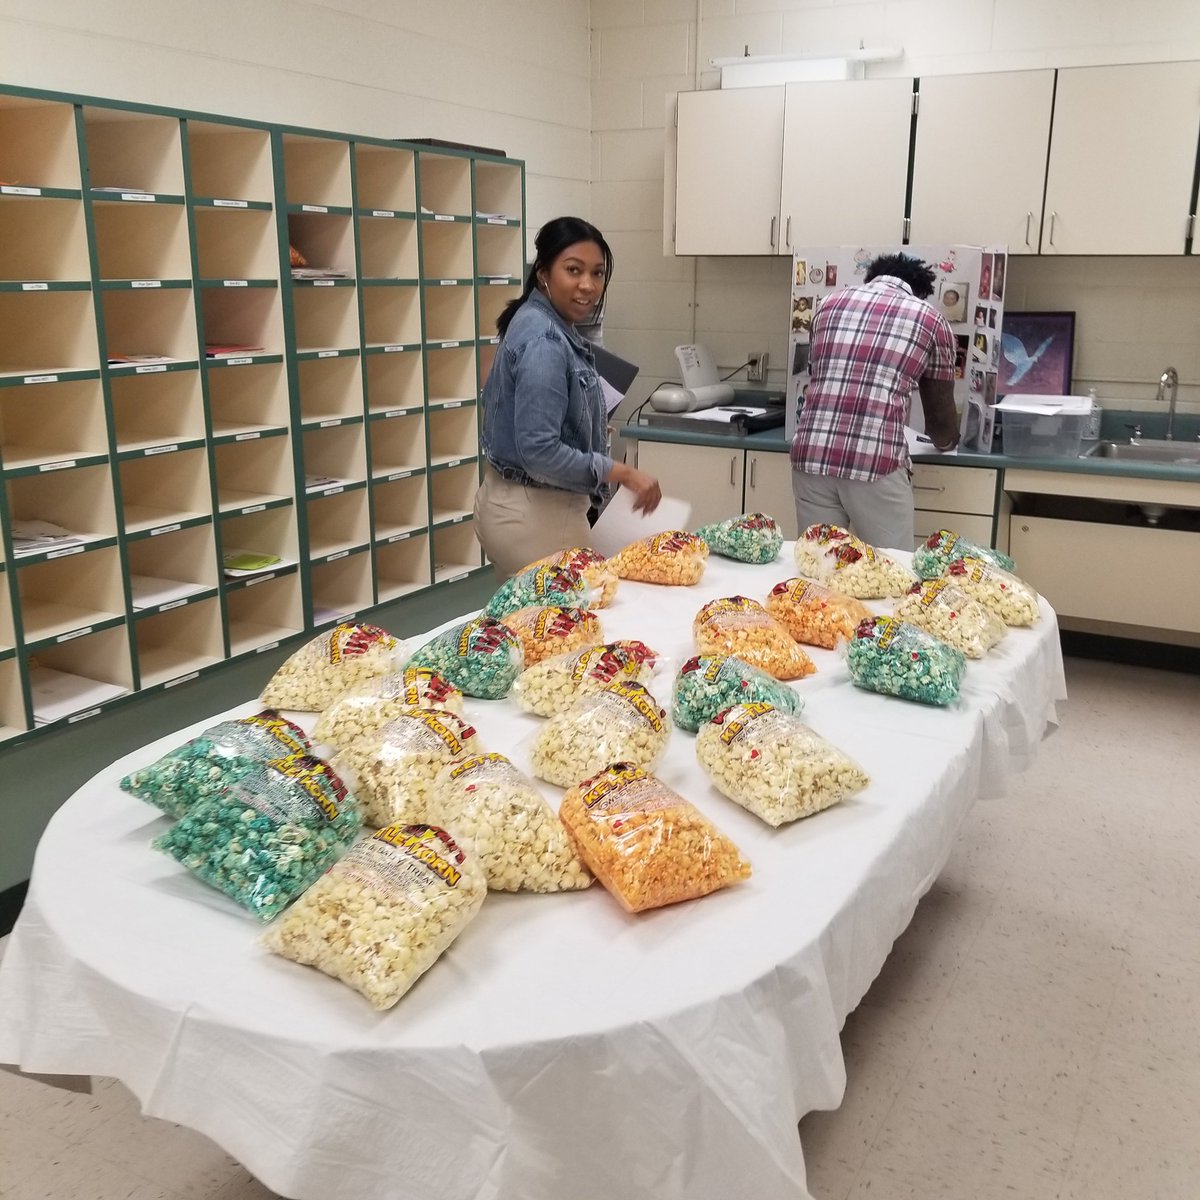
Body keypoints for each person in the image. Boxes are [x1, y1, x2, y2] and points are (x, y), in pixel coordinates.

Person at [473, 216, 661, 577]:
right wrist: (622, 472)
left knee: (536, 626)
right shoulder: (544, 340)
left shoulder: (536, 319)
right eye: (573, 270)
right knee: (569, 626)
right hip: (539, 517)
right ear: (543, 272)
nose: (588, 286)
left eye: (598, 274)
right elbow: (540, 451)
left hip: (511, 504)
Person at [789, 252, 959, 550]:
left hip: (811, 457)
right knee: (890, 572)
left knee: (818, 568)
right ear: (919, 292)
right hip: (875, 464)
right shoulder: (930, 319)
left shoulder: (827, 305)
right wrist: (947, 442)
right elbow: (940, 424)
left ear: (870, 279)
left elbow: (823, 378)